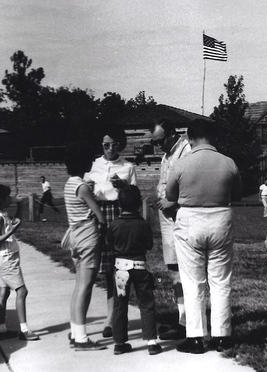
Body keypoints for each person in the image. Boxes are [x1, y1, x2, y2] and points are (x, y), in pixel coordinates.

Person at [166, 119, 241, 354]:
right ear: (213, 137)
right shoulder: (228, 163)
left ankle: (196, 337)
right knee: (220, 280)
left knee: (192, 281)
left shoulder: (181, 164)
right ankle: (222, 336)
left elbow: (170, 194)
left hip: (190, 220)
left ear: (190, 138)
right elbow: (237, 193)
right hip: (220, 218)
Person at [84, 126, 137, 338]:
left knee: (119, 268)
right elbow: (86, 190)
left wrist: (123, 186)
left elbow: (133, 195)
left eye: (114, 144)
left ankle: (113, 319)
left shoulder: (127, 166)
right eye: (106, 144)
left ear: (120, 144)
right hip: (98, 213)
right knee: (105, 270)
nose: (110, 148)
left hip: (119, 212)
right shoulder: (95, 164)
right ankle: (109, 318)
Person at [62, 143, 108, 350]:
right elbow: (98, 213)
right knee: (86, 286)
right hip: (88, 237)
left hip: (75, 237)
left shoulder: (70, 184)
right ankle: (81, 338)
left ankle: (75, 332)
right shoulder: (82, 186)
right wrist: (104, 224)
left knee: (79, 285)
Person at [108, 186, 162, 356]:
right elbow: (149, 245)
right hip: (139, 267)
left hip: (120, 270)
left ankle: (120, 342)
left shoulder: (114, 225)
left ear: (119, 204)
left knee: (120, 305)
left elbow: (109, 244)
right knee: (146, 303)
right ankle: (152, 342)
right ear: (139, 204)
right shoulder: (143, 225)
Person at [0, 183, 40, 341]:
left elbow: (15, 221)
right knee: (22, 292)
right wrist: (13, 230)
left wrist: (20, 205)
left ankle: (1, 330)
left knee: (4, 292)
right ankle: (24, 330)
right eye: (7, 196)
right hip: (6, 259)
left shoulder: (0, 213)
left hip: (0, 259)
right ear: (0, 200)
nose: (10, 198)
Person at [150, 119, 191, 340]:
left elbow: (192, 186)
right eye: (155, 142)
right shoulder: (167, 155)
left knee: (187, 270)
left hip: (181, 216)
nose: (158, 146)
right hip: (166, 218)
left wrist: (173, 203)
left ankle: (190, 322)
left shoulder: (186, 151)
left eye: (160, 141)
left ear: (172, 134)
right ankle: (182, 320)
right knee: (174, 270)